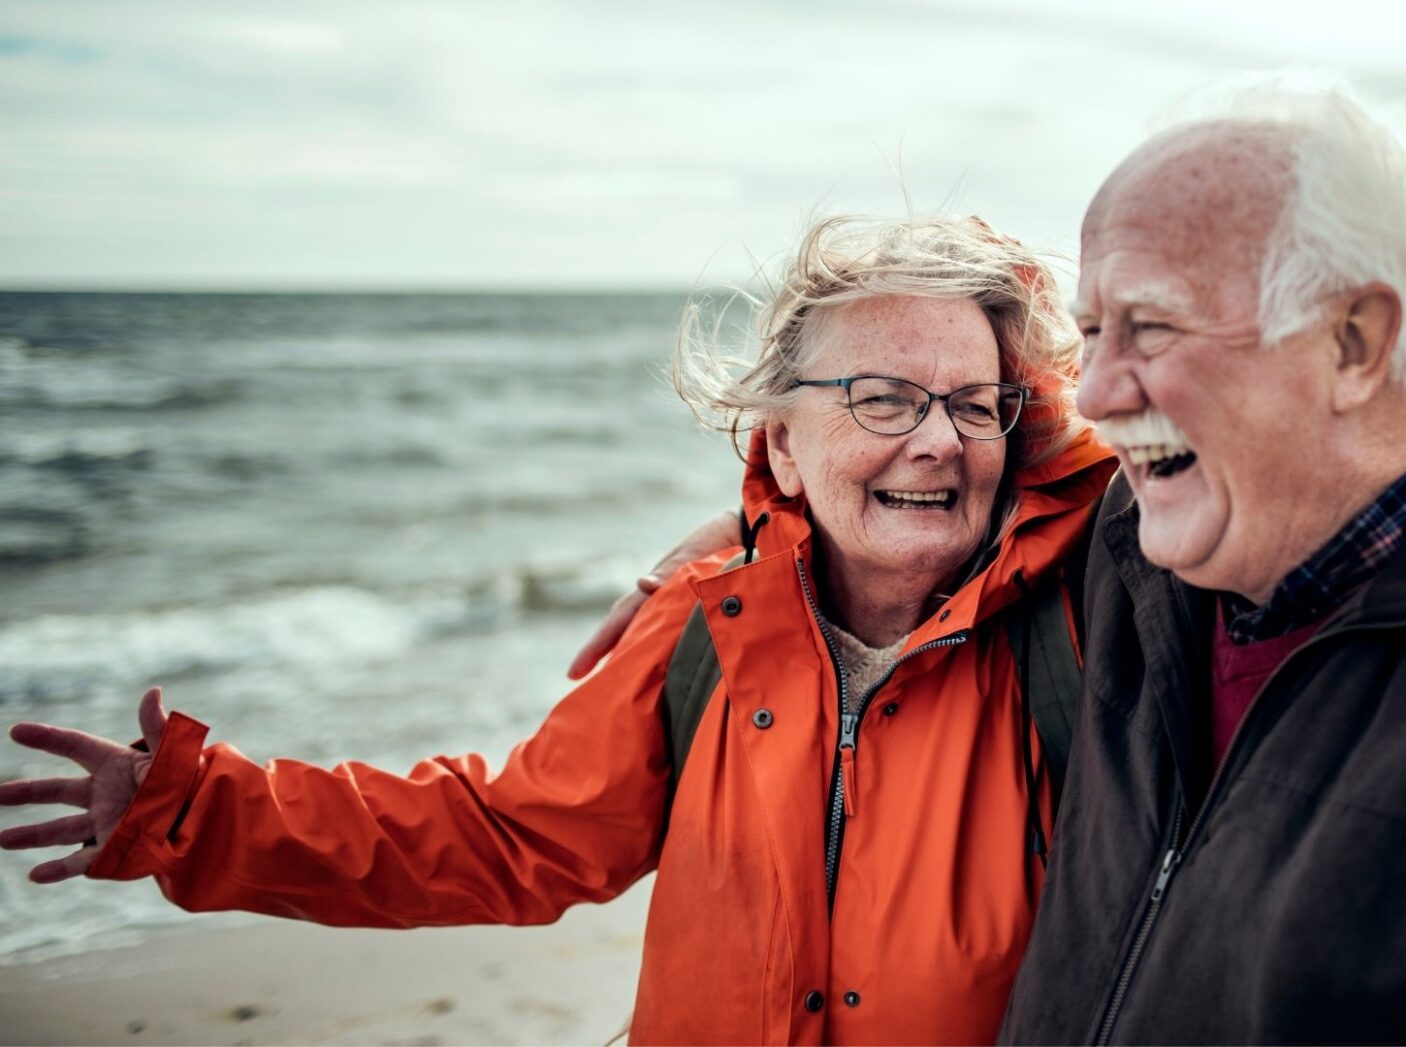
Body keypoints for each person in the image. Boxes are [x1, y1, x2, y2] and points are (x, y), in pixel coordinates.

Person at [575, 84, 1406, 1042]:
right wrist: (765, 522)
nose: (1095, 386)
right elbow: (935, 457)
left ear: (1355, 342)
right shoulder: (1142, 556)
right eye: (1087, 332)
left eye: (1149, 325)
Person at [0, 213, 1117, 1045]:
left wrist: (1021, 368)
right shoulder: (702, 631)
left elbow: (1169, 465)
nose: (938, 441)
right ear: (776, 444)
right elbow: (506, 838)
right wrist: (199, 811)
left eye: (976, 404)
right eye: (882, 397)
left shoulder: (1089, 625)